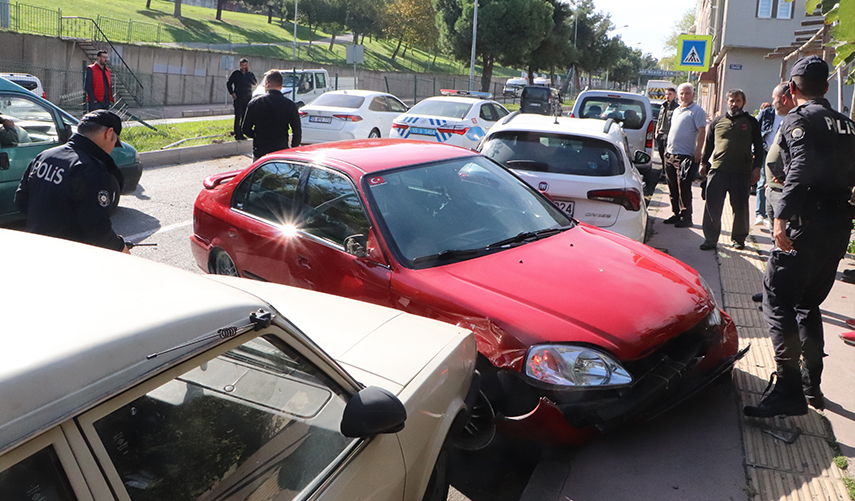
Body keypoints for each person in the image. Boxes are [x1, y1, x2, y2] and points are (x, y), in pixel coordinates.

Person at [743, 56, 855, 418]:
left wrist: (782, 216)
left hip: (806, 222)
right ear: (826, 88)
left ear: (792, 89)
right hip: (838, 225)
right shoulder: (847, 125)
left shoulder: (800, 119)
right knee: (807, 303)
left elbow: (801, 167)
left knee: (777, 299)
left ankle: (789, 389)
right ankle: (812, 384)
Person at [14, 110, 129, 253]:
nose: (112, 149)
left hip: (37, 247)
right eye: (114, 142)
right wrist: (123, 250)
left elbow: (21, 201)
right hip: (70, 256)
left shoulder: (45, 156)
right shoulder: (91, 169)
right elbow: (98, 231)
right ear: (108, 133)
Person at [698, 89, 764, 251]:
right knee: (712, 206)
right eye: (732, 100)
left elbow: (759, 147)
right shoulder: (717, 122)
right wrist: (703, 163)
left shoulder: (751, 122)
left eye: (738, 101)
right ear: (726, 101)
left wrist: (756, 169)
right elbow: (709, 145)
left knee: (740, 208)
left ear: (744, 103)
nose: (735, 104)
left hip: (741, 172)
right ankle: (710, 240)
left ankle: (739, 239)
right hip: (718, 170)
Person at [751, 82, 797, 303]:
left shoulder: (798, 120)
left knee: (784, 246)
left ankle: (779, 297)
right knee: (775, 245)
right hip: (774, 189)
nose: (772, 101)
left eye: (775, 97)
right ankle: (771, 292)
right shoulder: (781, 118)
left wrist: (785, 180)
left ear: (785, 99)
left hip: (786, 194)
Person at [663, 83, 706, 228]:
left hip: (685, 156)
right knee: (672, 187)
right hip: (670, 154)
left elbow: (701, 132)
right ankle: (676, 214)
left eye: (687, 93)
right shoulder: (676, 110)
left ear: (693, 95)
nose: (684, 96)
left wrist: (698, 152)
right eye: (681, 93)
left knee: (684, 188)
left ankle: (686, 217)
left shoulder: (697, 111)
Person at [242, 70, 301, 160]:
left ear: (267, 83)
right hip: (280, 151)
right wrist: (293, 148)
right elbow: (297, 131)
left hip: (260, 152)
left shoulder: (255, 103)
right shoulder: (290, 105)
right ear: (281, 85)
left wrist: (258, 136)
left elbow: (245, 129)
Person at [227, 58, 257, 141]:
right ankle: (237, 133)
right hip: (238, 97)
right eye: (242, 65)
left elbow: (254, 82)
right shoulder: (236, 73)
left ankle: (244, 132)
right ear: (240, 65)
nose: (244, 67)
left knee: (245, 116)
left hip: (247, 97)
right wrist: (232, 92)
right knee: (238, 116)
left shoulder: (250, 74)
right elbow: (229, 83)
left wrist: (248, 73)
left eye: (245, 65)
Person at [654, 86, 679, 167]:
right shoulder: (663, 106)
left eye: (670, 94)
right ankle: (663, 170)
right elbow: (659, 119)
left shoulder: (677, 108)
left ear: (674, 95)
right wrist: (656, 131)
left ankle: (665, 172)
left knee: (667, 155)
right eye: (666, 94)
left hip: (669, 134)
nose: (668, 96)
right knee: (661, 153)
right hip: (660, 133)